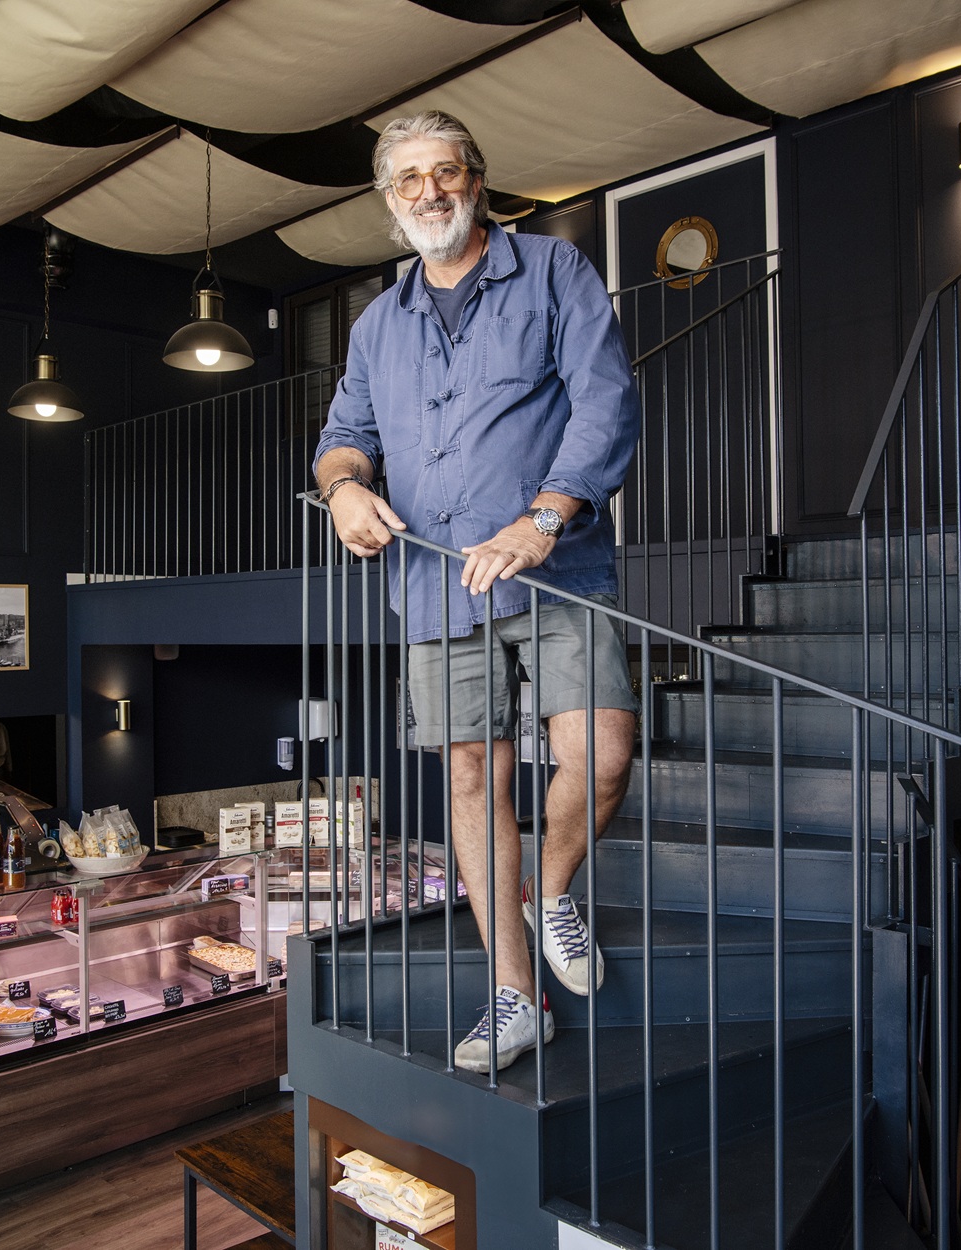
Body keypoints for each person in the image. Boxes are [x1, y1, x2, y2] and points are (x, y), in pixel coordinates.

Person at [314, 110, 641, 1074]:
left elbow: (606, 398)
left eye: (444, 171)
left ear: (477, 180)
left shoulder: (552, 273)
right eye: (408, 178)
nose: (429, 191)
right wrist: (341, 491)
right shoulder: (379, 324)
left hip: (558, 565)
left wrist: (542, 519)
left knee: (606, 753)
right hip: (433, 581)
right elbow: (346, 432)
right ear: (389, 199)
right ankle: (511, 995)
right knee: (470, 777)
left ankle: (548, 885)